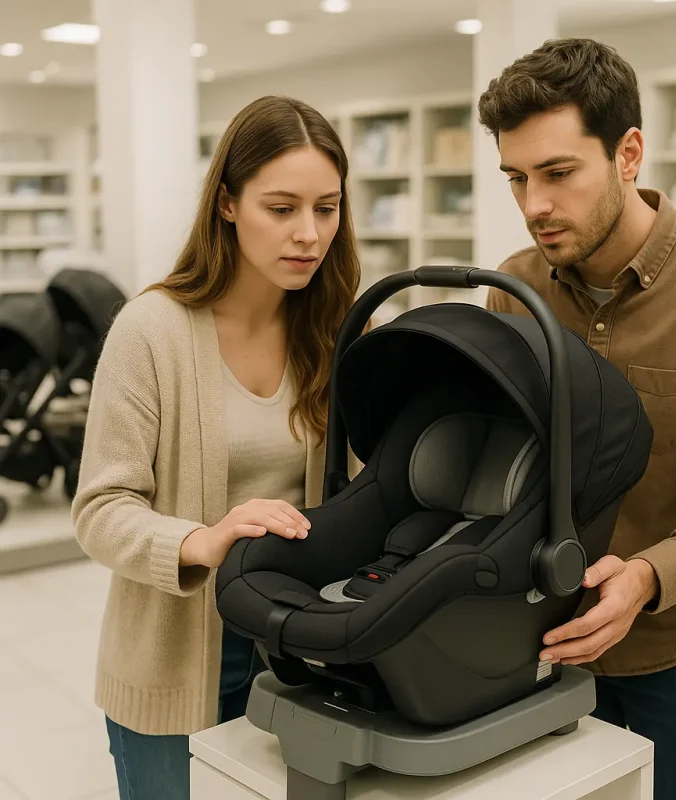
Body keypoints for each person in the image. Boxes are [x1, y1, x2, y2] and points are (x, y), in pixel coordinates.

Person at [478, 38, 676, 800]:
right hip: (541, 640)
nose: (534, 204)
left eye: (558, 173)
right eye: (517, 178)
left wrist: (650, 577)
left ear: (628, 154)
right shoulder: (512, 293)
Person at [71, 95, 361, 800]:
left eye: (326, 209)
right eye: (281, 208)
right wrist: (203, 541)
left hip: (296, 649)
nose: (308, 234)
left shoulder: (336, 329)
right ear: (227, 204)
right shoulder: (152, 331)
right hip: (174, 658)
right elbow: (101, 509)